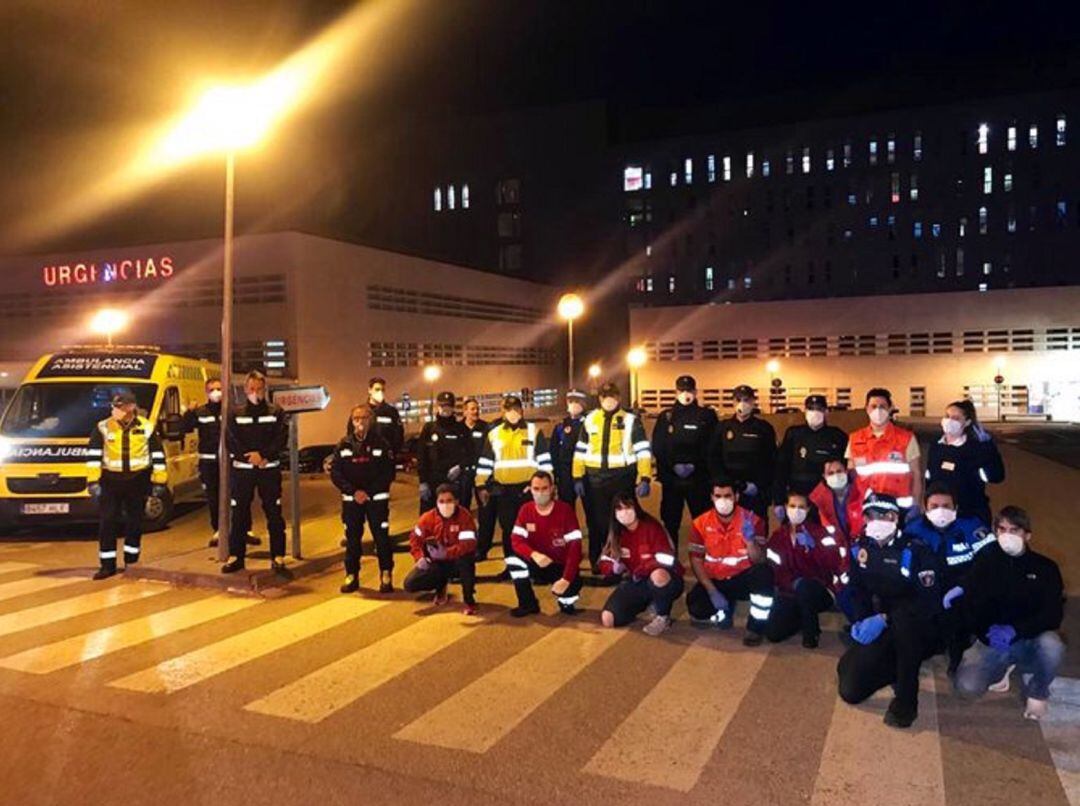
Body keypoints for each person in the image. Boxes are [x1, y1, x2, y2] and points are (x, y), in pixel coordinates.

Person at [836, 491, 945, 729]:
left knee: (906, 629)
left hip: (916, 624)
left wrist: (885, 619)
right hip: (882, 621)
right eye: (870, 515)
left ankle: (907, 701)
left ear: (895, 518)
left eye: (883, 515)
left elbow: (928, 601)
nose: (876, 521)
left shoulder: (916, 551)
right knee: (850, 689)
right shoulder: (860, 549)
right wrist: (862, 620)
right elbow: (856, 589)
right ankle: (895, 666)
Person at [954, 506, 1065, 721]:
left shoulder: (1046, 568)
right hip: (995, 641)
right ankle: (1003, 669)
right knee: (967, 687)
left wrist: (1017, 630)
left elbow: (1053, 615)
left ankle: (1038, 692)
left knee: (1053, 645)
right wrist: (986, 633)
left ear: (1027, 535)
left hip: (1031, 639)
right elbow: (972, 606)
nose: (1007, 535)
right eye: (1002, 529)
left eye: (1014, 530)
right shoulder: (986, 562)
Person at [903, 481, 995, 669]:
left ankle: (960, 649)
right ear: (925, 508)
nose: (941, 511)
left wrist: (964, 585)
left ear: (956, 507)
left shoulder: (971, 527)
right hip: (929, 590)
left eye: (946, 506)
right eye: (934, 506)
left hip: (963, 589)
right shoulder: (914, 530)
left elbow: (990, 561)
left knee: (961, 626)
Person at [86, 389, 168, 579]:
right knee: (107, 522)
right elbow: (93, 457)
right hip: (110, 481)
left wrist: (159, 482)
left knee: (135, 522)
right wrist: (92, 481)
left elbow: (157, 455)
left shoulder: (147, 427)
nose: (116, 410)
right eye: (115, 406)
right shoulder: (103, 427)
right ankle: (107, 565)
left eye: (120, 406)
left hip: (137, 480)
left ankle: (132, 561)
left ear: (131, 407)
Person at [572, 382, 652, 574]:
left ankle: (624, 559)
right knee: (597, 523)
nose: (609, 400)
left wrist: (645, 477)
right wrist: (577, 477)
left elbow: (643, 451)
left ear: (619, 397)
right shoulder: (589, 420)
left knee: (623, 520)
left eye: (613, 396)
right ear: (599, 399)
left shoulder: (632, 420)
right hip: (595, 480)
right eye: (605, 396)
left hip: (621, 479)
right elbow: (580, 450)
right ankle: (598, 560)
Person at [685, 478, 774, 646]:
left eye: (728, 496)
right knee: (696, 608)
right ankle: (724, 609)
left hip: (743, 578)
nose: (723, 501)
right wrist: (711, 591)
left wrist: (750, 541)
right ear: (711, 497)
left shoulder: (753, 520)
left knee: (764, 574)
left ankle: (755, 627)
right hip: (716, 580)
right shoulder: (700, 523)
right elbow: (696, 561)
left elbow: (760, 560)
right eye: (718, 496)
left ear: (737, 497)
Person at [222, 370, 291, 577]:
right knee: (240, 514)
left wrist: (263, 456)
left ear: (265, 389)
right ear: (245, 389)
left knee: (274, 513)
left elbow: (281, 439)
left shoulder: (275, 411)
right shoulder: (235, 413)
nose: (255, 392)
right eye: (252, 388)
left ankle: (278, 556)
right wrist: (249, 457)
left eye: (259, 389)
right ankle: (237, 557)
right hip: (242, 472)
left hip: (268, 470)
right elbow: (231, 440)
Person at [475, 395, 552, 568]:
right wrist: (481, 485)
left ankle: (535, 567)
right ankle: (513, 568)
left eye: (516, 409)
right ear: (503, 412)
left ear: (522, 410)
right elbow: (486, 462)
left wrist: (545, 486)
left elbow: (545, 461)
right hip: (504, 492)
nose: (513, 413)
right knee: (509, 531)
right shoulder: (494, 434)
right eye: (508, 409)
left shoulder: (534, 431)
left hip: (528, 490)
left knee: (532, 529)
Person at [763, 490, 847, 648]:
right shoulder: (778, 536)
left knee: (805, 587)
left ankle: (812, 632)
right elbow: (776, 570)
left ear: (808, 510)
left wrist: (815, 548)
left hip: (819, 591)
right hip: (789, 591)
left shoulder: (821, 533)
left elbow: (834, 564)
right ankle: (801, 617)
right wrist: (791, 584)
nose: (796, 510)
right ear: (786, 508)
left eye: (801, 507)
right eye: (792, 506)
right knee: (773, 633)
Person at [598, 492, 684, 636]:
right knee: (608, 619)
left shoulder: (651, 527)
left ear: (636, 507)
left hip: (667, 578)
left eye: (628, 507)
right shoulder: (617, 533)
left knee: (658, 576)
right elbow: (604, 561)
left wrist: (643, 568)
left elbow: (668, 559)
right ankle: (648, 602)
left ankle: (663, 616)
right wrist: (613, 568)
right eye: (619, 509)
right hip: (637, 581)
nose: (624, 512)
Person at [330, 404, 396, 594]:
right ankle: (351, 575)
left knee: (381, 538)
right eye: (356, 418)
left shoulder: (381, 444)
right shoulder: (344, 444)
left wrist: (368, 491)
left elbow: (388, 473)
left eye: (364, 418)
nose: (360, 422)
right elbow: (336, 473)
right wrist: (353, 492)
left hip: (376, 500)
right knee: (352, 540)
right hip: (352, 502)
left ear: (371, 420)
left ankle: (385, 574)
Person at [651, 374, 717, 548]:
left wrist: (694, 465)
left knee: (703, 521)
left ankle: (705, 557)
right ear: (676, 392)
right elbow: (659, 446)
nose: (686, 394)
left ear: (695, 392)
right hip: (672, 481)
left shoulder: (707, 416)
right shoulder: (666, 416)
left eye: (689, 390)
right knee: (671, 521)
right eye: (682, 390)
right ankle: (671, 559)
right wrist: (674, 466)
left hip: (699, 480)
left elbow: (712, 447)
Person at [506, 471, 584, 617]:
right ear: (530, 489)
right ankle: (527, 604)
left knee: (570, 588)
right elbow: (516, 540)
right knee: (513, 559)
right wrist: (533, 554)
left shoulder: (565, 511)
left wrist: (566, 579)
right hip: (537, 561)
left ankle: (566, 602)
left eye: (544, 488)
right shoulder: (525, 510)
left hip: (559, 564)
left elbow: (575, 549)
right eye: (536, 489)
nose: (540, 493)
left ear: (552, 488)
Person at [926, 400, 1005, 526]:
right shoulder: (936, 445)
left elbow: (997, 476)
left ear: (967, 422)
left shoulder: (977, 448)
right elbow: (929, 479)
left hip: (970, 513)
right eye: (947, 416)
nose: (949, 420)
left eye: (956, 418)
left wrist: (988, 449)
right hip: (941, 512)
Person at [403, 484, 478, 615]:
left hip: (458, 561)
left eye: (449, 501)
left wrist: (447, 553)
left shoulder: (465, 517)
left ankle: (469, 600)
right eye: (441, 501)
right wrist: (419, 557)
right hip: (437, 562)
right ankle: (440, 585)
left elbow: (468, 544)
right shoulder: (428, 518)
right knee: (410, 584)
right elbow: (415, 539)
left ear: (456, 501)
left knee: (467, 561)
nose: (445, 505)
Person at [846, 387, 922, 514]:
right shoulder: (855, 439)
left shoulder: (906, 438)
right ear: (867, 409)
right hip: (866, 509)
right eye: (873, 406)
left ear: (890, 408)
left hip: (899, 509)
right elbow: (851, 477)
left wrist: (916, 506)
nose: (878, 410)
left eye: (882, 406)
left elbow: (916, 474)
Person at [772, 395, 848, 520]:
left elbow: (845, 469)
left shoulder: (837, 436)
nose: (814, 412)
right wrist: (779, 500)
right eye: (810, 408)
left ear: (826, 412)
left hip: (826, 498)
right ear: (805, 411)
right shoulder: (794, 434)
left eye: (818, 409)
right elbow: (781, 468)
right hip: (798, 497)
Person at [707, 385, 776, 520]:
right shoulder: (722, 427)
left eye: (746, 400)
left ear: (753, 402)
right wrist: (725, 484)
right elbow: (713, 458)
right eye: (738, 399)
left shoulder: (764, 428)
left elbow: (771, 460)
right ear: (733, 401)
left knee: (757, 531)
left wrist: (760, 485)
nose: (742, 403)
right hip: (729, 490)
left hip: (755, 490)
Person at [417, 391, 472, 514]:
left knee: (454, 517)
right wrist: (422, 482)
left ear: (453, 407)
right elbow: (421, 456)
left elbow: (470, 454)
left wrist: (460, 467)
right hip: (432, 483)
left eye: (448, 406)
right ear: (438, 407)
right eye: (442, 406)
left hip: (453, 482)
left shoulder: (461, 429)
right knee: (429, 519)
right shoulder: (429, 428)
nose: (445, 409)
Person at [460, 397, 496, 560]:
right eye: (472, 409)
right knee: (462, 512)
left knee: (485, 513)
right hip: (464, 475)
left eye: (476, 408)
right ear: (465, 411)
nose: (475, 411)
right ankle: (464, 545)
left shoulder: (485, 428)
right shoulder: (458, 428)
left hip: (482, 476)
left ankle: (482, 548)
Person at [549, 388, 590, 512]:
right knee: (566, 510)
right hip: (565, 473)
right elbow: (554, 452)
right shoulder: (561, 426)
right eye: (570, 401)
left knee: (592, 510)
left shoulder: (591, 423)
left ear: (584, 403)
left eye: (577, 401)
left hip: (587, 473)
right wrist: (555, 475)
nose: (573, 404)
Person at [808, 457, 863, 545]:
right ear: (825, 477)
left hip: (861, 544)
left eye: (839, 471)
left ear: (846, 472)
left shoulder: (860, 491)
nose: (836, 475)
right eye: (831, 473)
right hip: (836, 547)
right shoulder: (820, 500)